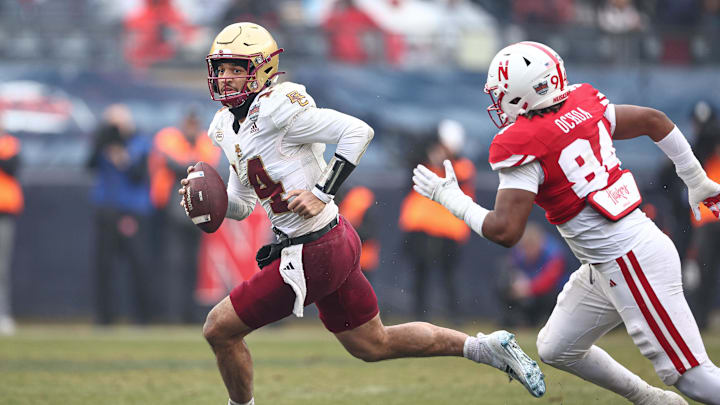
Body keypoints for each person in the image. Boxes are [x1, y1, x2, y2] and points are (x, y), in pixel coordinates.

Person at [178, 22, 545, 405]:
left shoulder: (278, 108)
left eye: (236, 68)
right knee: (373, 343)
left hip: (312, 248)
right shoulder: (223, 126)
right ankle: (485, 348)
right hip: (327, 242)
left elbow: (358, 132)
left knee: (219, 329)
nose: (225, 77)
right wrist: (210, 207)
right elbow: (243, 203)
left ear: (262, 69)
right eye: (221, 68)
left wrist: (322, 192)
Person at [413, 41, 720, 404]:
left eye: (502, 93)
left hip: (630, 260)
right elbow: (655, 121)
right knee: (557, 347)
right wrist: (696, 179)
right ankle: (651, 400)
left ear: (524, 91)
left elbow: (505, 231)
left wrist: (453, 200)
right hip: (614, 258)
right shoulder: (583, 101)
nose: (498, 103)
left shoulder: (523, 141)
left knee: (693, 377)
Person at [399, 120, 476, 322]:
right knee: (419, 275)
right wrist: (429, 156)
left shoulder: (463, 166)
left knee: (448, 276)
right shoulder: (422, 161)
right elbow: (410, 169)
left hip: (448, 230)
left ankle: (455, 317)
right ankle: (417, 317)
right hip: (421, 227)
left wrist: (441, 161)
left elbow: (460, 179)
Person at [150, 109, 220, 323]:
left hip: (198, 211)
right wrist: (191, 164)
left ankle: (189, 314)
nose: (191, 126)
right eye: (188, 122)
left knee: (192, 264)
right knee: (173, 263)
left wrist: (188, 165)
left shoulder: (205, 141)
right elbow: (175, 163)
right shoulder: (168, 137)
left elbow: (204, 166)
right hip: (168, 209)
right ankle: (172, 314)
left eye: (194, 123)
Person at [87, 104, 155, 325]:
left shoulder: (140, 143)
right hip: (107, 208)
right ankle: (104, 317)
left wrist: (123, 158)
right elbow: (88, 164)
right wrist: (103, 144)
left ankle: (143, 317)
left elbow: (140, 176)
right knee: (104, 265)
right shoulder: (103, 143)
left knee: (138, 264)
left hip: (133, 210)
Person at [685, 101, 720, 331]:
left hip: (710, 217)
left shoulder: (710, 139)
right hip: (706, 218)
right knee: (701, 274)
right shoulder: (698, 148)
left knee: (704, 273)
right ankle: (700, 320)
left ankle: (703, 319)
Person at [496, 222, 568, 328]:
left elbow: (550, 279)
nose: (529, 251)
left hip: (551, 293)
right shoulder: (519, 252)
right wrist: (515, 279)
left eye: (531, 247)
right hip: (526, 290)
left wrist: (529, 288)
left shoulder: (553, 253)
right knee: (503, 286)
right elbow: (510, 268)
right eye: (526, 247)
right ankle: (516, 320)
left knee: (550, 296)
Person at [0, 126, 23, 336]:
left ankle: (2, 314)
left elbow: (12, 167)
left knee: (1, 266)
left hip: (3, 212)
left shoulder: (9, 144)